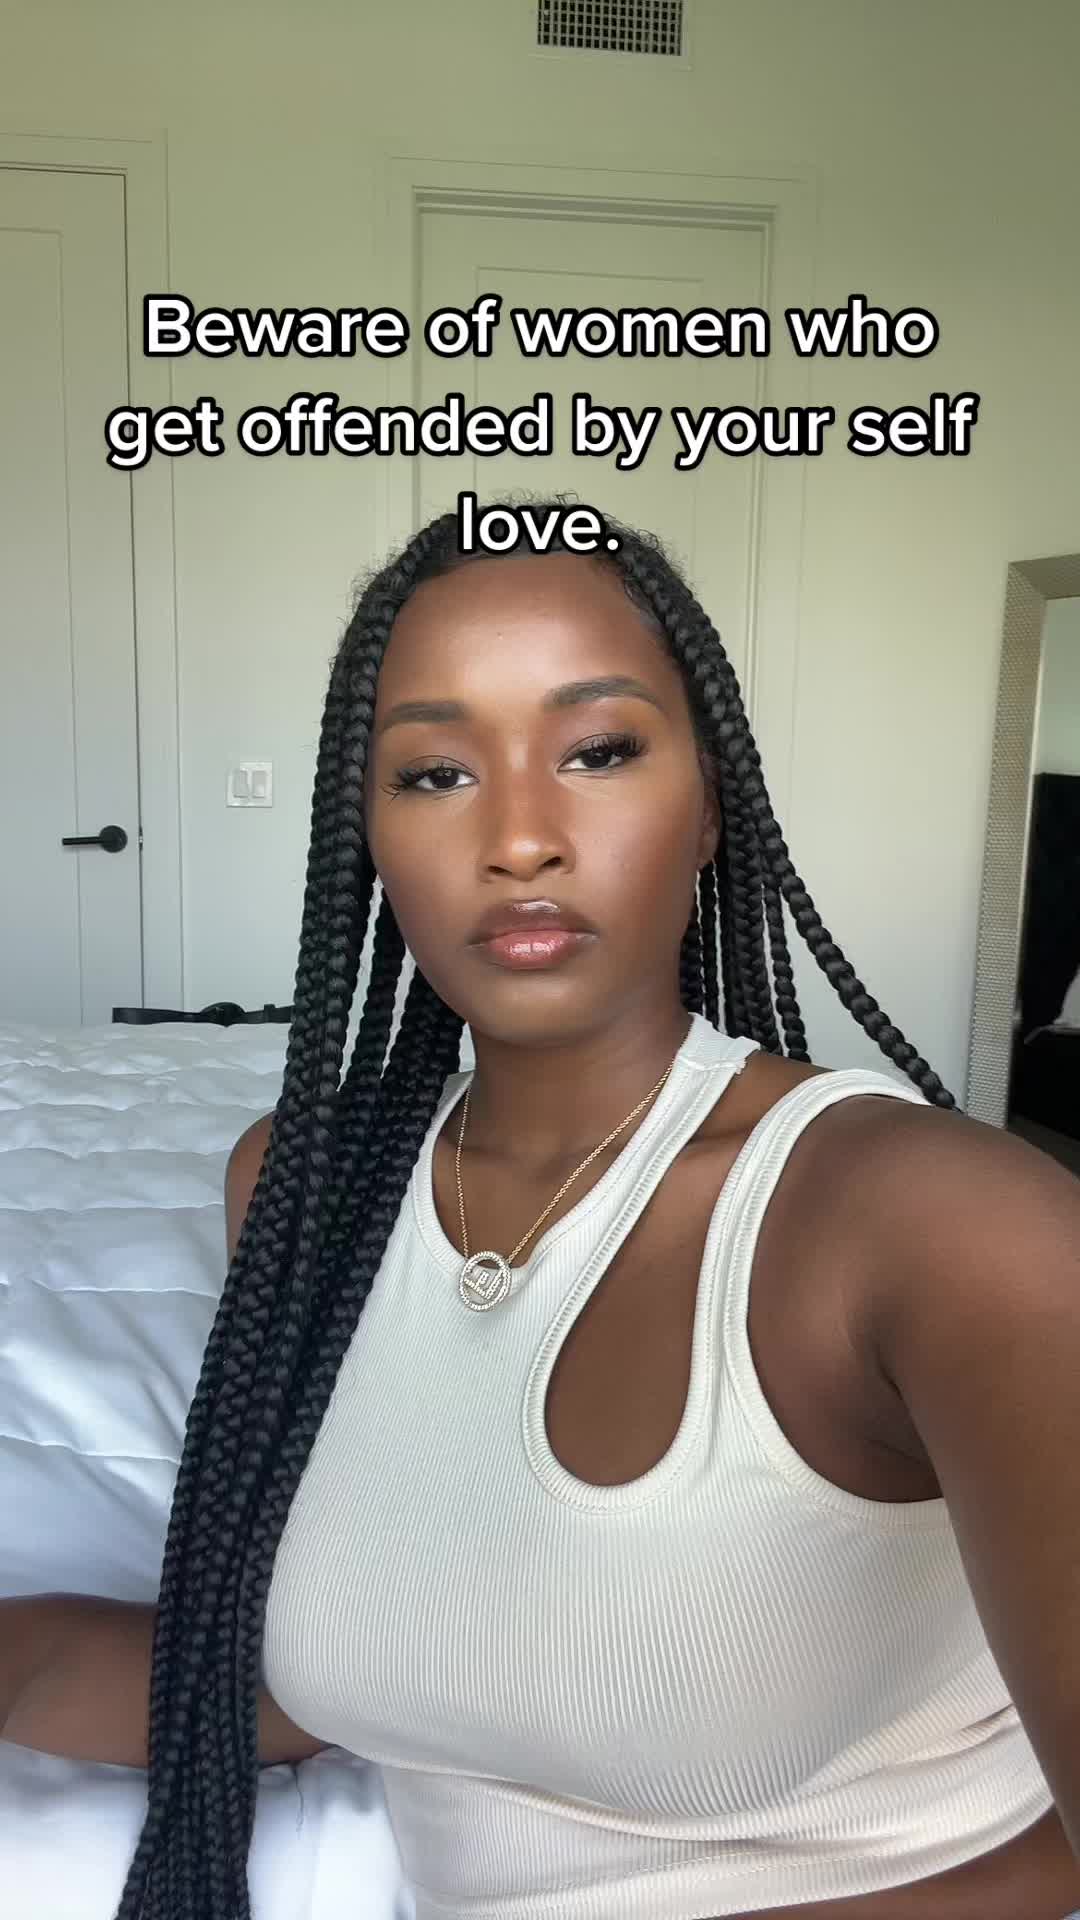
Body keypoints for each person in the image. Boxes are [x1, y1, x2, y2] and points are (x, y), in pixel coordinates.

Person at [3, 505, 1080, 1920]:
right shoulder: (301, 1190)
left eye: (599, 751)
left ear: (709, 807)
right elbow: (379, 1662)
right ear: (367, 837)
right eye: (436, 773)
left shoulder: (943, 1228)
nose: (519, 838)